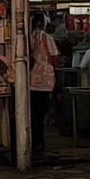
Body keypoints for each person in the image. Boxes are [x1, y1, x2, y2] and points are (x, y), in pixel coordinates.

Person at [28, 17, 57, 156]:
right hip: (44, 82)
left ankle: (35, 143)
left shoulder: (26, 37)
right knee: (40, 115)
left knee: (33, 115)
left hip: (30, 81)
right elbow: (54, 57)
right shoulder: (47, 38)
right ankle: (38, 144)